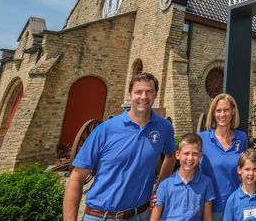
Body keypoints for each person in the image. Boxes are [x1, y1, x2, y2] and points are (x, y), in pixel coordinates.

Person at [63, 72, 176, 221]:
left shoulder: (164, 128)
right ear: (129, 95)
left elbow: (171, 155)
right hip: (100, 216)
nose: (144, 97)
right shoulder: (106, 129)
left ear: (155, 95)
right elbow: (77, 177)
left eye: (149, 91)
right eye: (138, 92)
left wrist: (159, 187)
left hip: (140, 214)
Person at [199, 93, 248, 221]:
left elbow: (244, 171)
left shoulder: (241, 138)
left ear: (232, 111)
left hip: (236, 205)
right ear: (213, 113)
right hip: (211, 208)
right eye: (218, 110)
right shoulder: (202, 139)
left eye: (226, 110)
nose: (222, 114)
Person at [151, 132, 215, 221]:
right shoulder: (165, 185)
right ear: (178, 155)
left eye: (195, 154)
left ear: (200, 155)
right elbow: (154, 218)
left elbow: (207, 217)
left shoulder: (206, 183)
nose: (190, 158)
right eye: (186, 153)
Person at [222, 150, 256, 221]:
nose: (251, 173)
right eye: (247, 169)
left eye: (254, 169)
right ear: (239, 170)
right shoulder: (232, 200)